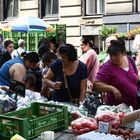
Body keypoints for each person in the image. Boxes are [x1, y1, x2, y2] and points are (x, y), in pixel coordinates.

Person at [93, 40, 138, 109]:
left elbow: (136, 77)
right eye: (111, 55)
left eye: (116, 54)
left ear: (123, 53)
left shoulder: (130, 60)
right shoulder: (107, 67)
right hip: (117, 109)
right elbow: (96, 85)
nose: (113, 58)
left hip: (134, 105)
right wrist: (112, 88)